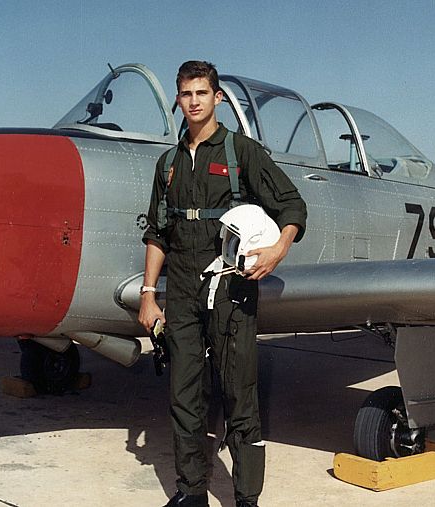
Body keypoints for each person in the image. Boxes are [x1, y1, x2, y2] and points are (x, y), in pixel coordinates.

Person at [139, 61, 307, 507]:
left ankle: (247, 498)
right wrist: (148, 295)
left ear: (217, 98)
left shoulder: (241, 152)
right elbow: (157, 233)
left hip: (231, 288)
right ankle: (191, 491)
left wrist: (277, 249)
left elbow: (292, 205)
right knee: (184, 395)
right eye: (186, 94)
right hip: (182, 290)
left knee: (239, 393)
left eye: (201, 93)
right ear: (178, 100)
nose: (193, 101)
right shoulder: (168, 164)